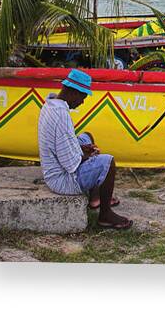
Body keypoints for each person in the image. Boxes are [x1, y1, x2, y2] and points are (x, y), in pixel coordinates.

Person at [38, 69, 132, 229]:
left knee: (87, 136)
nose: (82, 102)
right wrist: (87, 155)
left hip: (53, 168)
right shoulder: (61, 115)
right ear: (73, 92)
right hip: (60, 180)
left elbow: (61, 143)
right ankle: (105, 215)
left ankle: (95, 197)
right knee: (108, 162)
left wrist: (80, 148)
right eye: (82, 96)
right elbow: (70, 164)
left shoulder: (51, 103)